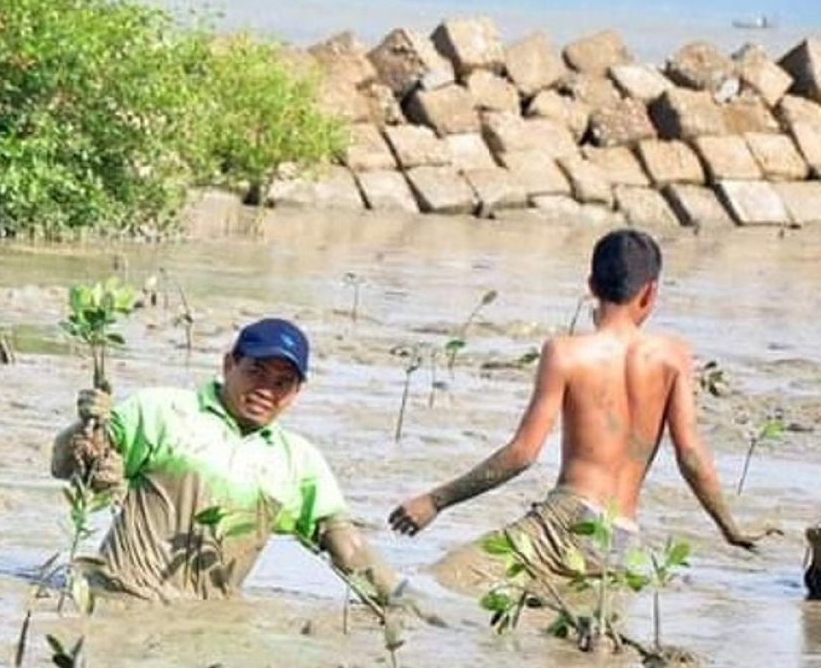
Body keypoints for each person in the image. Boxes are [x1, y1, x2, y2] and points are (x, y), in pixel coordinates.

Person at [389, 228, 773, 587]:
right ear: (650, 292)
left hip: (564, 524)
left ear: (591, 286)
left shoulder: (566, 353)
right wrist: (729, 529)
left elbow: (522, 454)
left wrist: (434, 501)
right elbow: (690, 454)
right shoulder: (674, 357)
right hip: (623, 540)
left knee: (430, 585)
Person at [51, 317, 407, 604]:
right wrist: (83, 431)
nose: (266, 390)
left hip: (207, 617)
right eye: (256, 372)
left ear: (297, 392)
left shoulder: (298, 461)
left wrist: (397, 599)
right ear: (228, 364)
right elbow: (65, 465)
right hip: (120, 597)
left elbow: (344, 542)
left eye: (283, 382)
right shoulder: (164, 410)